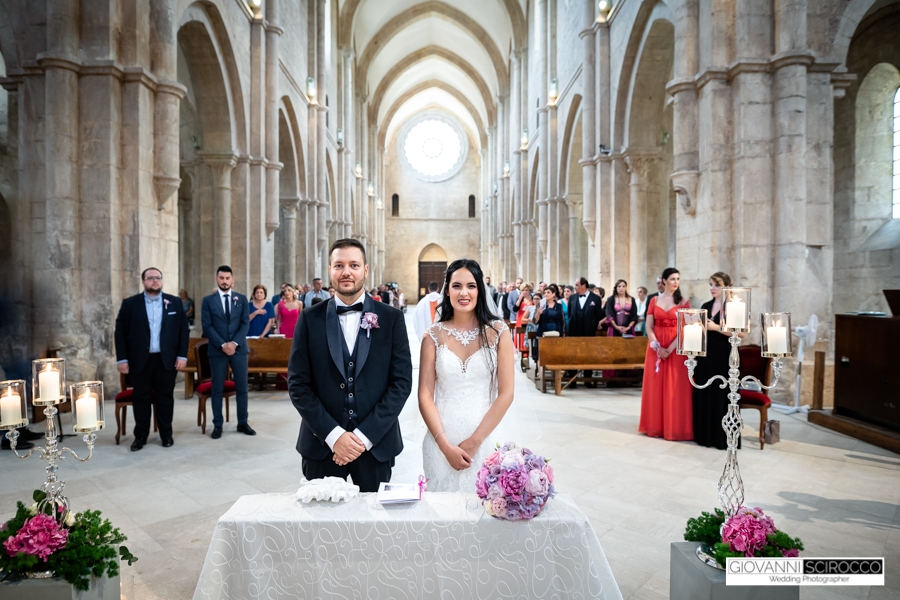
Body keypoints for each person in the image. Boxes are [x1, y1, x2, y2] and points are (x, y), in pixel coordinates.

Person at [288, 238, 412, 493]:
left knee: (374, 528)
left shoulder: (391, 319)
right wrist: (334, 436)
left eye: (354, 265)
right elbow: (298, 384)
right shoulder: (309, 319)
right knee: (322, 526)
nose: (346, 272)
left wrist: (362, 438)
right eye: (339, 265)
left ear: (366, 270)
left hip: (375, 445)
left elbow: (401, 383)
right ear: (330, 270)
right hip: (322, 446)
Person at [418, 258, 514, 492]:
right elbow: (424, 395)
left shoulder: (499, 332)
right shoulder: (432, 335)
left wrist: (475, 442)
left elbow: (506, 393)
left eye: (471, 286)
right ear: (447, 290)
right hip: (441, 441)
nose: (464, 292)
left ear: (480, 289)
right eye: (457, 285)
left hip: (485, 438)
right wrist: (444, 445)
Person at [114, 268, 189, 451]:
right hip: (140, 360)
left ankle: (166, 435)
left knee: (165, 398)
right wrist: (122, 359)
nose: (154, 281)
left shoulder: (174, 303)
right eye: (150, 278)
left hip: (166, 360)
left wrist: (182, 355)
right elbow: (120, 333)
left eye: (158, 278)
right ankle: (140, 436)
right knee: (141, 399)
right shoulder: (130, 304)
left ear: (161, 281)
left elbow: (183, 332)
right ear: (143, 282)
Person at [639, 267, 693, 440]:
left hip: (677, 347)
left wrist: (670, 348)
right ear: (663, 281)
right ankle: (655, 425)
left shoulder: (684, 301)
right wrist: (657, 346)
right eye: (672, 279)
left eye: (678, 279)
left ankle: (674, 427)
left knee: (675, 387)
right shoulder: (653, 300)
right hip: (655, 347)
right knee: (655, 386)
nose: (676, 282)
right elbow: (648, 326)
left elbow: (685, 328)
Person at [201, 265, 254, 439]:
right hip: (217, 350)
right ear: (217, 279)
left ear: (232, 280)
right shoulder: (208, 301)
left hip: (239, 350)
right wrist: (223, 344)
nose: (224, 281)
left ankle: (242, 422)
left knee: (242, 388)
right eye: (221, 278)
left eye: (227, 278)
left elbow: (245, 323)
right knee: (217, 388)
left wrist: (234, 343)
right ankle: (217, 425)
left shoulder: (242, 299)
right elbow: (207, 326)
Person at [693, 272, 742, 450]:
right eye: (711, 284)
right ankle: (705, 436)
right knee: (706, 392)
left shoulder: (734, 305)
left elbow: (741, 333)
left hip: (726, 355)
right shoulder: (706, 305)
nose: (712, 288)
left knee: (723, 395)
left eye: (716, 285)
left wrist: (716, 327)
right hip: (707, 355)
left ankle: (723, 438)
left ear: (727, 287)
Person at [567, 277, 604, 387]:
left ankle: (588, 379)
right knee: (573, 354)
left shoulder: (596, 298)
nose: (575, 287)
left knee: (589, 354)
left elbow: (598, 314)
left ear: (583, 286)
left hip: (589, 330)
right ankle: (572, 380)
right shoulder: (572, 298)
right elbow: (570, 314)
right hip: (574, 330)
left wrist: (593, 324)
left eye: (577, 285)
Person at [533, 283, 565, 361]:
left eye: (548, 292)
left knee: (556, 355)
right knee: (543, 354)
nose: (546, 294)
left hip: (556, 332)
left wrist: (563, 333)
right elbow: (535, 321)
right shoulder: (541, 305)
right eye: (545, 293)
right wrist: (538, 313)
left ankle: (555, 372)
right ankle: (540, 371)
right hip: (543, 332)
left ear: (554, 294)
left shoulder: (559, 306)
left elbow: (562, 321)